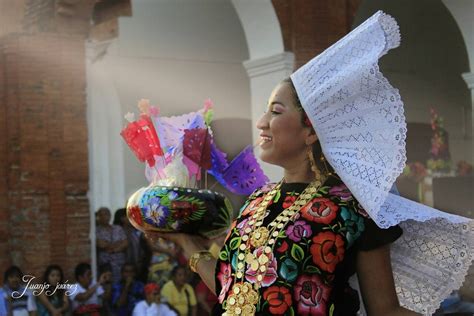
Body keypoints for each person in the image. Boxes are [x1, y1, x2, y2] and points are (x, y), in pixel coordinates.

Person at [145, 10, 473, 316]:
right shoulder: (257, 202)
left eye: (275, 111)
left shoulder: (352, 210)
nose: (261, 123)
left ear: (312, 130)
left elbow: (384, 310)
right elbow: (233, 290)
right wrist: (186, 243)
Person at [96, 207, 128, 283]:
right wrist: (117, 243)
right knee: (107, 283)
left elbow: (125, 243)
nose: (104, 217)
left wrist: (112, 249)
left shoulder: (118, 228)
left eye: (106, 214)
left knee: (120, 283)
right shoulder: (96, 230)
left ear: (110, 216)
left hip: (119, 263)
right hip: (105, 264)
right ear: (98, 217)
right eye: (101, 215)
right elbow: (101, 245)